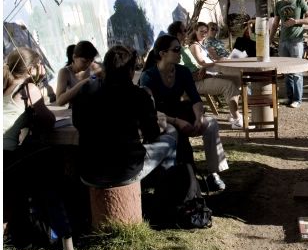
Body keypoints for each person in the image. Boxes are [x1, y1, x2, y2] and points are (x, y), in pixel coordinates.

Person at [72, 45, 178, 187]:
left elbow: (77, 122)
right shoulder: (139, 95)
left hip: (88, 171)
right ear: (131, 70)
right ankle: (167, 190)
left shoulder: (86, 89)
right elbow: (151, 134)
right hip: (125, 171)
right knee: (171, 135)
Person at [140, 34, 229, 192]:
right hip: (160, 119)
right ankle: (175, 180)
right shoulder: (149, 76)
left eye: (180, 48)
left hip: (180, 112)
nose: (180, 52)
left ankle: (213, 173)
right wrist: (177, 121)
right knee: (174, 131)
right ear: (162, 54)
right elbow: (149, 111)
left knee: (211, 124)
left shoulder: (182, 72)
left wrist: (198, 118)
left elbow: (195, 99)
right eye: (176, 49)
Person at [3, 47, 70, 246]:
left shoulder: (5, 83)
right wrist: (37, 86)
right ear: (32, 69)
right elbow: (48, 120)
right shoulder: (27, 89)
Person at [168, 21, 247, 129]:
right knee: (229, 85)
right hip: (194, 83)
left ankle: (233, 115)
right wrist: (198, 73)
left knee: (236, 79)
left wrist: (203, 69)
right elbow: (178, 73)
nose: (187, 32)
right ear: (178, 34)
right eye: (185, 30)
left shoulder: (184, 48)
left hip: (200, 76)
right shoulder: (175, 51)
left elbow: (195, 66)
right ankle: (237, 120)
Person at [271, 0, 308, 108]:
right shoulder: (279, 4)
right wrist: (271, 38)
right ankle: (289, 97)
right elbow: (275, 23)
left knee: (297, 70)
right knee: (286, 71)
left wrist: (296, 21)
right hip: (283, 40)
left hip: (296, 41)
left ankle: (298, 99)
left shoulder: (300, 2)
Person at [55, 41, 102, 107]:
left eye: (91, 61)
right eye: (84, 61)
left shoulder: (94, 67)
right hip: (78, 112)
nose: (88, 64)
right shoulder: (65, 72)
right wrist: (83, 83)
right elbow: (59, 101)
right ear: (74, 57)